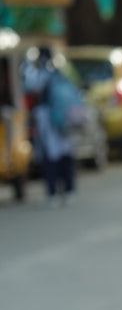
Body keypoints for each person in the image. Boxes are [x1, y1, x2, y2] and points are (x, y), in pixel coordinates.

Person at [23, 47, 77, 205]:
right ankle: (68, 190)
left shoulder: (39, 75)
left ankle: (53, 192)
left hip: (49, 120)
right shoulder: (60, 73)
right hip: (63, 120)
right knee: (65, 154)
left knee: (51, 156)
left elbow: (30, 89)